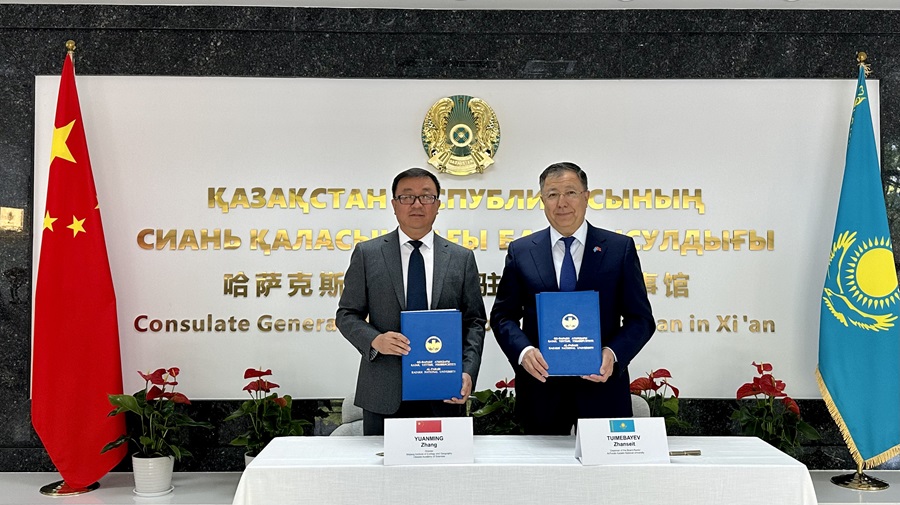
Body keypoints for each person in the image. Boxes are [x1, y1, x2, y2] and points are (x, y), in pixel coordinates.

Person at [490, 161, 655, 435]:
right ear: (542, 200)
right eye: (552, 194)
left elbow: (641, 319)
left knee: (603, 465)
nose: (562, 203)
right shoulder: (522, 252)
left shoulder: (619, 249)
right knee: (542, 465)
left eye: (570, 193)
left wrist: (613, 354)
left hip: (602, 390)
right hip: (541, 393)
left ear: (586, 197)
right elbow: (502, 316)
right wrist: (524, 352)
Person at [336, 167, 487, 435]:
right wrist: (375, 340)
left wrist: (467, 371)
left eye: (426, 196)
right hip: (384, 392)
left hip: (444, 389)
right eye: (407, 197)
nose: (417, 204)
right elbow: (347, 314)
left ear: (437, 204)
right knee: (381, 464)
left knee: (442, 463)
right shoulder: (368, 254)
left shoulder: (461, 258)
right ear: (394, 204)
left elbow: (474, 321)